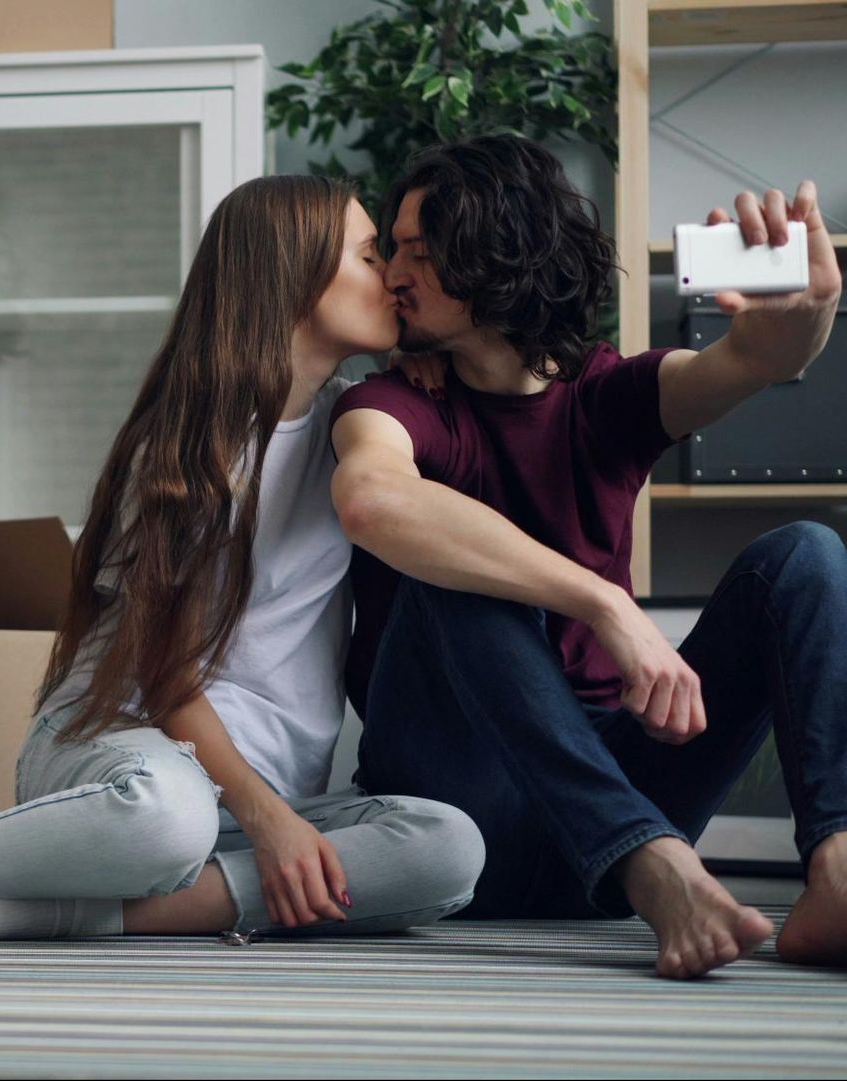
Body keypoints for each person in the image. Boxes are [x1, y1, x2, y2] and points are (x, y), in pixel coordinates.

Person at [0, 175, 485, 944]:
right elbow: (164, 669)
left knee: (449, 845)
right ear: (295, 273)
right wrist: (266, 817)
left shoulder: (360, 425)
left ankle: (59, 914)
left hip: (253, 808)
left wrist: (428, 366)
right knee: (166, 816)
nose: (393, 276)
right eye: (370, 255)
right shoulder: (184, 450)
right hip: (121, 754)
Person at [329, 134, 847, 979]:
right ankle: (656, 864)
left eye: (420, 252)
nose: (392, 272)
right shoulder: (390, 400)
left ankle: (837, 869)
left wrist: (800, 320)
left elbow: (752, 358)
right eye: (391, 249)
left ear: (497, 249)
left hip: (611, 788)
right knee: (454, 563)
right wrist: (604, 605)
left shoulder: (607, 395)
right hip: (464, 815)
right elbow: (374, 498)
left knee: (806, 556)